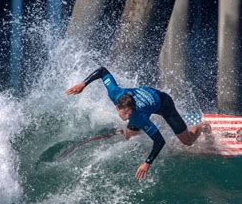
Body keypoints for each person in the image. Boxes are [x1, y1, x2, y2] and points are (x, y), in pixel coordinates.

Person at [65, 66, 208, 180]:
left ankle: (202, 126)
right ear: (118, 107)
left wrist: (147, 162)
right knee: (130, 136)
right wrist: (83, 84)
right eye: (125, 113)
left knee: (187, 142)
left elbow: (159, 141)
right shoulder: (115, 93)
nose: (127, 117)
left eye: (130, 113)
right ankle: (126, 131)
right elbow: (103, 71)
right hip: (148, 98)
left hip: (164, 104)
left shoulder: (137, 116)